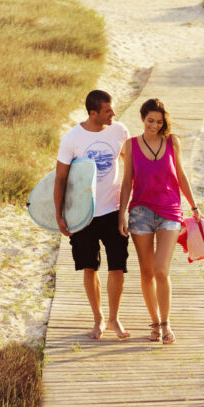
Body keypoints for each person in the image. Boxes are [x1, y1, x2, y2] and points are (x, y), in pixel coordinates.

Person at [118, 98, 200, 344]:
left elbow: (181, 175)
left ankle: (166, 323)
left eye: (159, 122)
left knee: (161, 270)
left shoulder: (173, 142)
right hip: (140, 213)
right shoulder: (131, 145)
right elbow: (127, 182)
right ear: (142, 118)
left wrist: (194, 205)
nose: (154, 125)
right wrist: (121, 214)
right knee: (146, 272)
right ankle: (154, 323)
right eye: (150, 120)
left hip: (169, 211)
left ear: (164, 122)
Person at [55, 89, 131, 340]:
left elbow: (130, 167)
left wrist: (127, 207)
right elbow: (60, 178)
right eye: (108, 110)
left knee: (117, 266)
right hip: (83, 214)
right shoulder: (72, 138)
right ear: (93, 113)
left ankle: (114, 318)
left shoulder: (119, 131)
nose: (113, 114)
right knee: (90, 267)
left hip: (113, 211)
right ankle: (98, 319)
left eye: (112, 109)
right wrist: (59, 215)